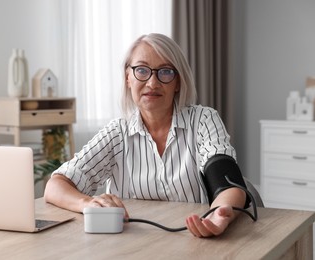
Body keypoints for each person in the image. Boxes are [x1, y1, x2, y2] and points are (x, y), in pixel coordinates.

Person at [44, 33, 247, 238]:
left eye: (165, 72)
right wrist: (88, 203)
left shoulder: (203, 120)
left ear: (178, 82)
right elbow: (55, 186)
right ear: (128, 78)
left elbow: (228, 185)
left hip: (194, 240)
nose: (152, 83)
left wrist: (220, 214)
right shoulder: (117, 133)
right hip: (131, 244)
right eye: (141, 70)